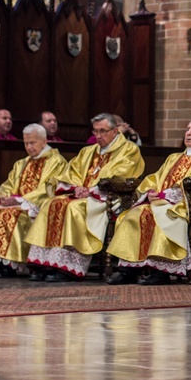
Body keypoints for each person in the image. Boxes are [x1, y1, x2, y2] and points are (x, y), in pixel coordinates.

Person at [24, 113, 145, 281]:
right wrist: (76, 188)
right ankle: (45, 263)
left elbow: (123, 175)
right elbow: (71, 173)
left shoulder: (129, 150)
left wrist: (92, 190)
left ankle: (68, 267)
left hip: (110, 197)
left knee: (74, 208)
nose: (98, 136)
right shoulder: (87, 151)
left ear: (116, 130)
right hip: (84, 195)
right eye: (95, 131)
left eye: (103, 131)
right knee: (53, 203)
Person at [106, 118, 191, 285]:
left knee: (161, 215)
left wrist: (169, 196)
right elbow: (155, 178)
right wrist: (150, 192)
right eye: (188, 129)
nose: (189, 132)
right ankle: (129, 269)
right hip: (162, 201)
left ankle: (160, 270)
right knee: (136, 213)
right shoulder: (174, 157)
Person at [0, 124, 68, 278]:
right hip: (16, 204)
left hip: (36, 207)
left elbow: (49, 188)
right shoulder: (22, 163)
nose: (28, 147)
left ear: (43, 141)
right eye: (26, 143)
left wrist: (20, 200)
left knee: (12, 215)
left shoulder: (56, 162)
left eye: (32, 143)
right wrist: (4, 197)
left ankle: (9, 265)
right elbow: (8, 184)